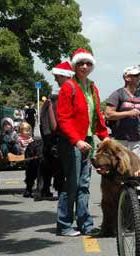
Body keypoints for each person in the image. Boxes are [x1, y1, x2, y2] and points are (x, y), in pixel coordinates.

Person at [56, 48, 109, 237]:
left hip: (87, 141)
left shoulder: (92, 87)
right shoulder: (68, 87)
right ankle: (64, 224)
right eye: (80, 63)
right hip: (73, 142)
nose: (84, 67)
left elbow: (97, 116)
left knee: (84, 184)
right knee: (72, 183)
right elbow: (63, 118)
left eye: (88, 64)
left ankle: (85, 223)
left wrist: (105, 136)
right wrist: (76, 140)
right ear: (74, 65)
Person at [37, 61, 75, 199]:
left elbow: (50, 127)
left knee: (49, 165)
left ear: (64, 76)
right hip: (62, 139)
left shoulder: (59, 97)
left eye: (57, 76)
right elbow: (53, 126)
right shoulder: (62, 96)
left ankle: (48, 189)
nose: (55, 79)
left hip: (58, 139)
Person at [105, 66, 140, 157]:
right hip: (119, 139)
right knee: (120, 168)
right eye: (136, 75)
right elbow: (108, 114)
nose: (139, 78)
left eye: (139, 75)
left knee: (135, 168)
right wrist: (128, 113)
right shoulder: (117, 94)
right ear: (127, 78)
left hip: (136, 139)